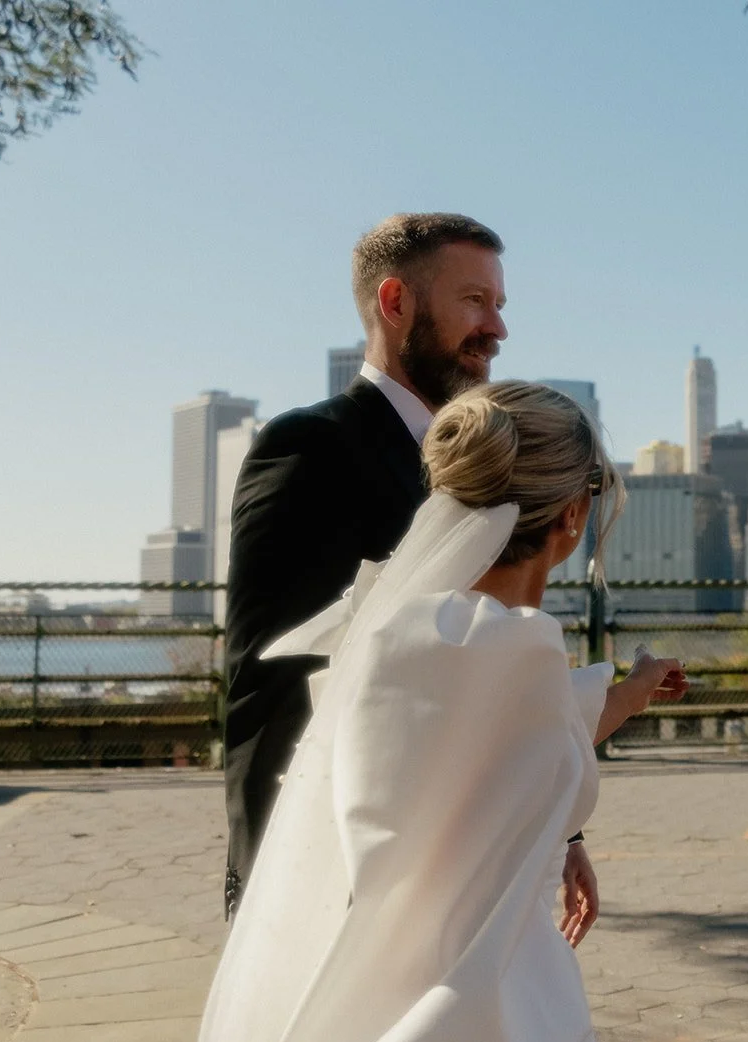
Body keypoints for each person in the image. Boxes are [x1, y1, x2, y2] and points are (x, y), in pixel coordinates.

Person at [197, 382, 686, 1042]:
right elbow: (455, 944)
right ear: (573, 515)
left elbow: (539, 727)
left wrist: (633, 689)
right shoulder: (509, 652)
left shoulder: (420, 633)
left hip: (402, 1024)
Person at [223, 213, 597, 927]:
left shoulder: (489, 466)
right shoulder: (309, 448)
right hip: (340, 870)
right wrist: (275, 883)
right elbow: (271, 678)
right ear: (396, 303)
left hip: (454, 857)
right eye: (475, 302)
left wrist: (560, 824)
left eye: (500, 306)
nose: (497, 329)